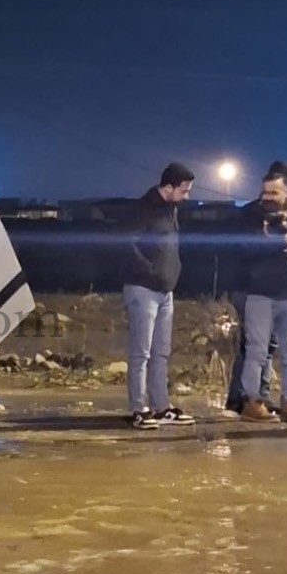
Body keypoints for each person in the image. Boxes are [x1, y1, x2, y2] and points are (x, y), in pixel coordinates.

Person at [224, 160, 287, 417]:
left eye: (274, 192)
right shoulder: (251, 215)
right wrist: (281, 242)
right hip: (259, 292)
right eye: (265, 192)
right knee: (256, 350)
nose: (267, 197)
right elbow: (245, 248)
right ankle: (250, 402)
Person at [121, 162, 196, 429]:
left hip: (166, 292)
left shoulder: (170, 209)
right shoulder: (143, 210)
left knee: (161, 352)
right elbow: (125, 242)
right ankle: (138, 409)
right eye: (183, 191)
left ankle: (161, 407)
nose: (187, 196)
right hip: (143, 290)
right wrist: (150, 271)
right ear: (168, 188)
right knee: (141, 353)